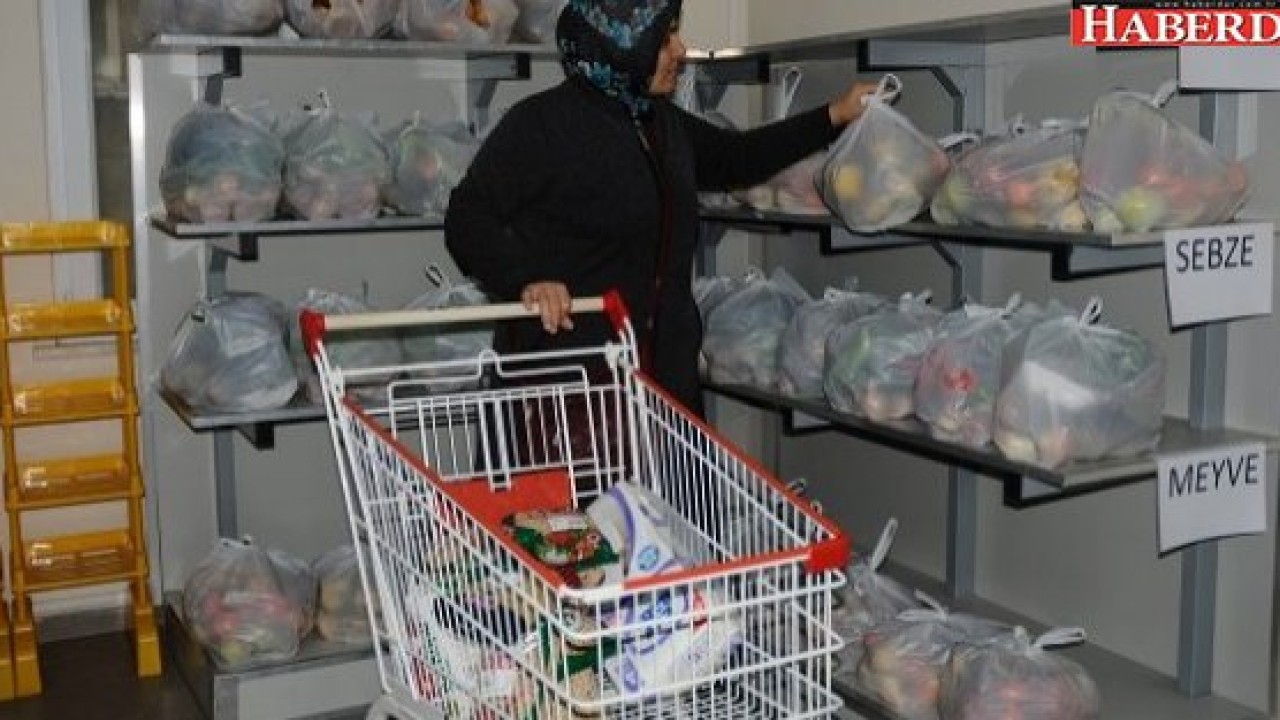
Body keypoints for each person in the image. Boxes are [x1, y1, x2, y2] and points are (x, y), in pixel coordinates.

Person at [445, 0, 881, 416]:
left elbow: (738, 157)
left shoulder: (659, 123)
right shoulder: (541, 125)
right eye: (663, 40)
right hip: (572, 386)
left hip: (663, 379)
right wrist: (526, 280)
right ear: (620, 47)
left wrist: (834, 115)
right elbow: (467, 216)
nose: (681, 50)